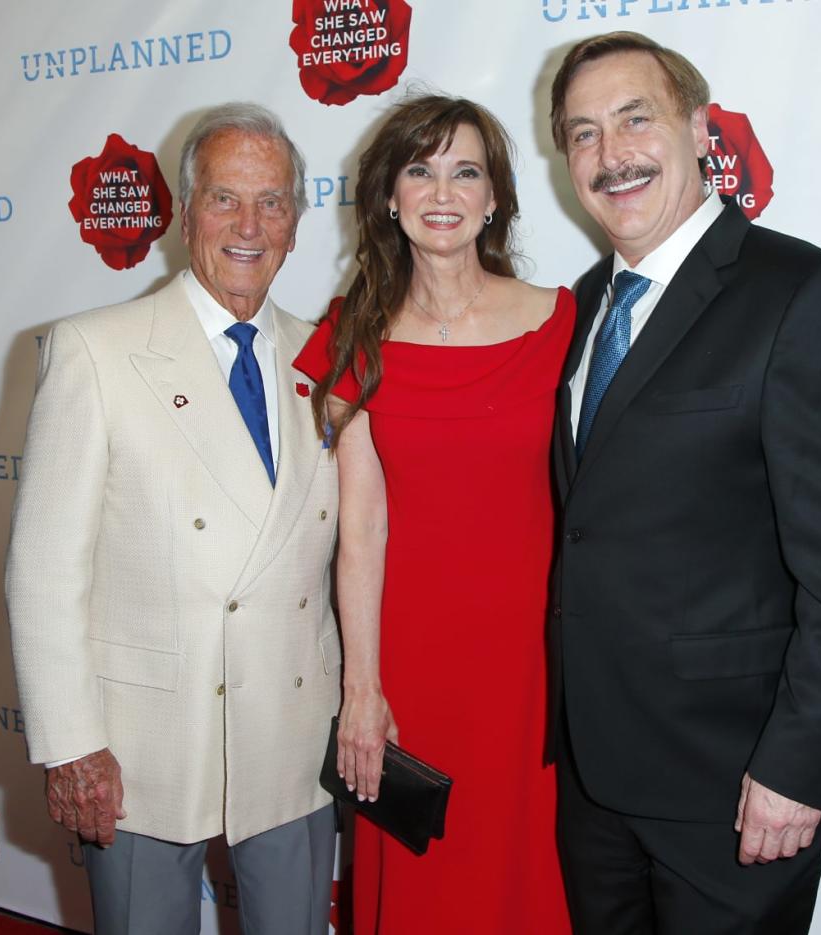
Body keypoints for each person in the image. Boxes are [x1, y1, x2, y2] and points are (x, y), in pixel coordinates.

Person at [547, 31, 821, 934]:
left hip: (737, 786)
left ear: (701, 128)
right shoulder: (583, 306)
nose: (610, 153)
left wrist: (799, 766)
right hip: (596, 783)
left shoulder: (802, 295)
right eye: (583, 133)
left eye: (636, 119)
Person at [5, 102, 341, 935]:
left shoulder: (326, 359)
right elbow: (44, 572)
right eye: (225, 198)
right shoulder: (96, 348)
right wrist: (72, 742)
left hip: (293, 734)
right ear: (186, 213)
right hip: (141, 744)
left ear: (296, 224)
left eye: (271, 202)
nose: (249, 224)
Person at [294, 94, 573, 934]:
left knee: (532, 875)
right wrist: (363, 689)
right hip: (412, 666)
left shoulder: (563, 321)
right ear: (388, 194)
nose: (441, 190)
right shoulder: (357, 336)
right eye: (420, 168)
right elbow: (360, 533)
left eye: (465, 171)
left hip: (538, 666)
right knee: (426, 889)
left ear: (494, 199)